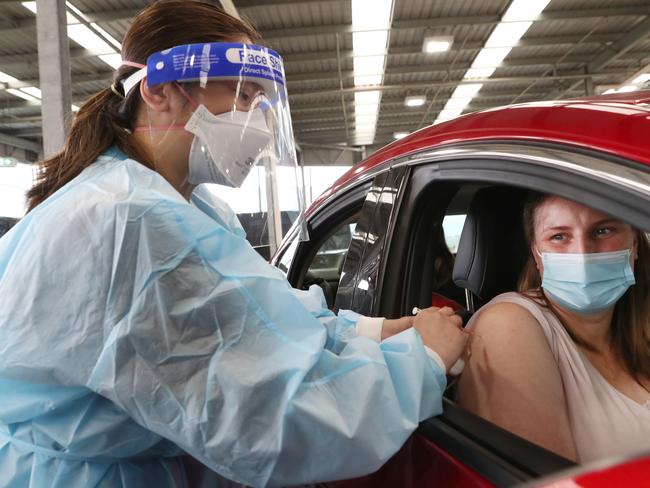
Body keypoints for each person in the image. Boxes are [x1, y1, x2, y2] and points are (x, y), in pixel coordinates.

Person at [0, 1, 467, 487]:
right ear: (161, 91)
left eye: (260, 101)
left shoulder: (184, 207)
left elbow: (266, 316)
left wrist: (377, 332)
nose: (256, 122)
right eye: (243, 96)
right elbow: (265, 421)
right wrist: (422, 361)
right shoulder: (130, 221)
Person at [457, 192, 650, 463]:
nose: (583, 253)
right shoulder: (507, 325)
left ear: (635, 244)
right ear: (537, 254)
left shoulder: (640, 323)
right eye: (559, 236)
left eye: (603, 230)